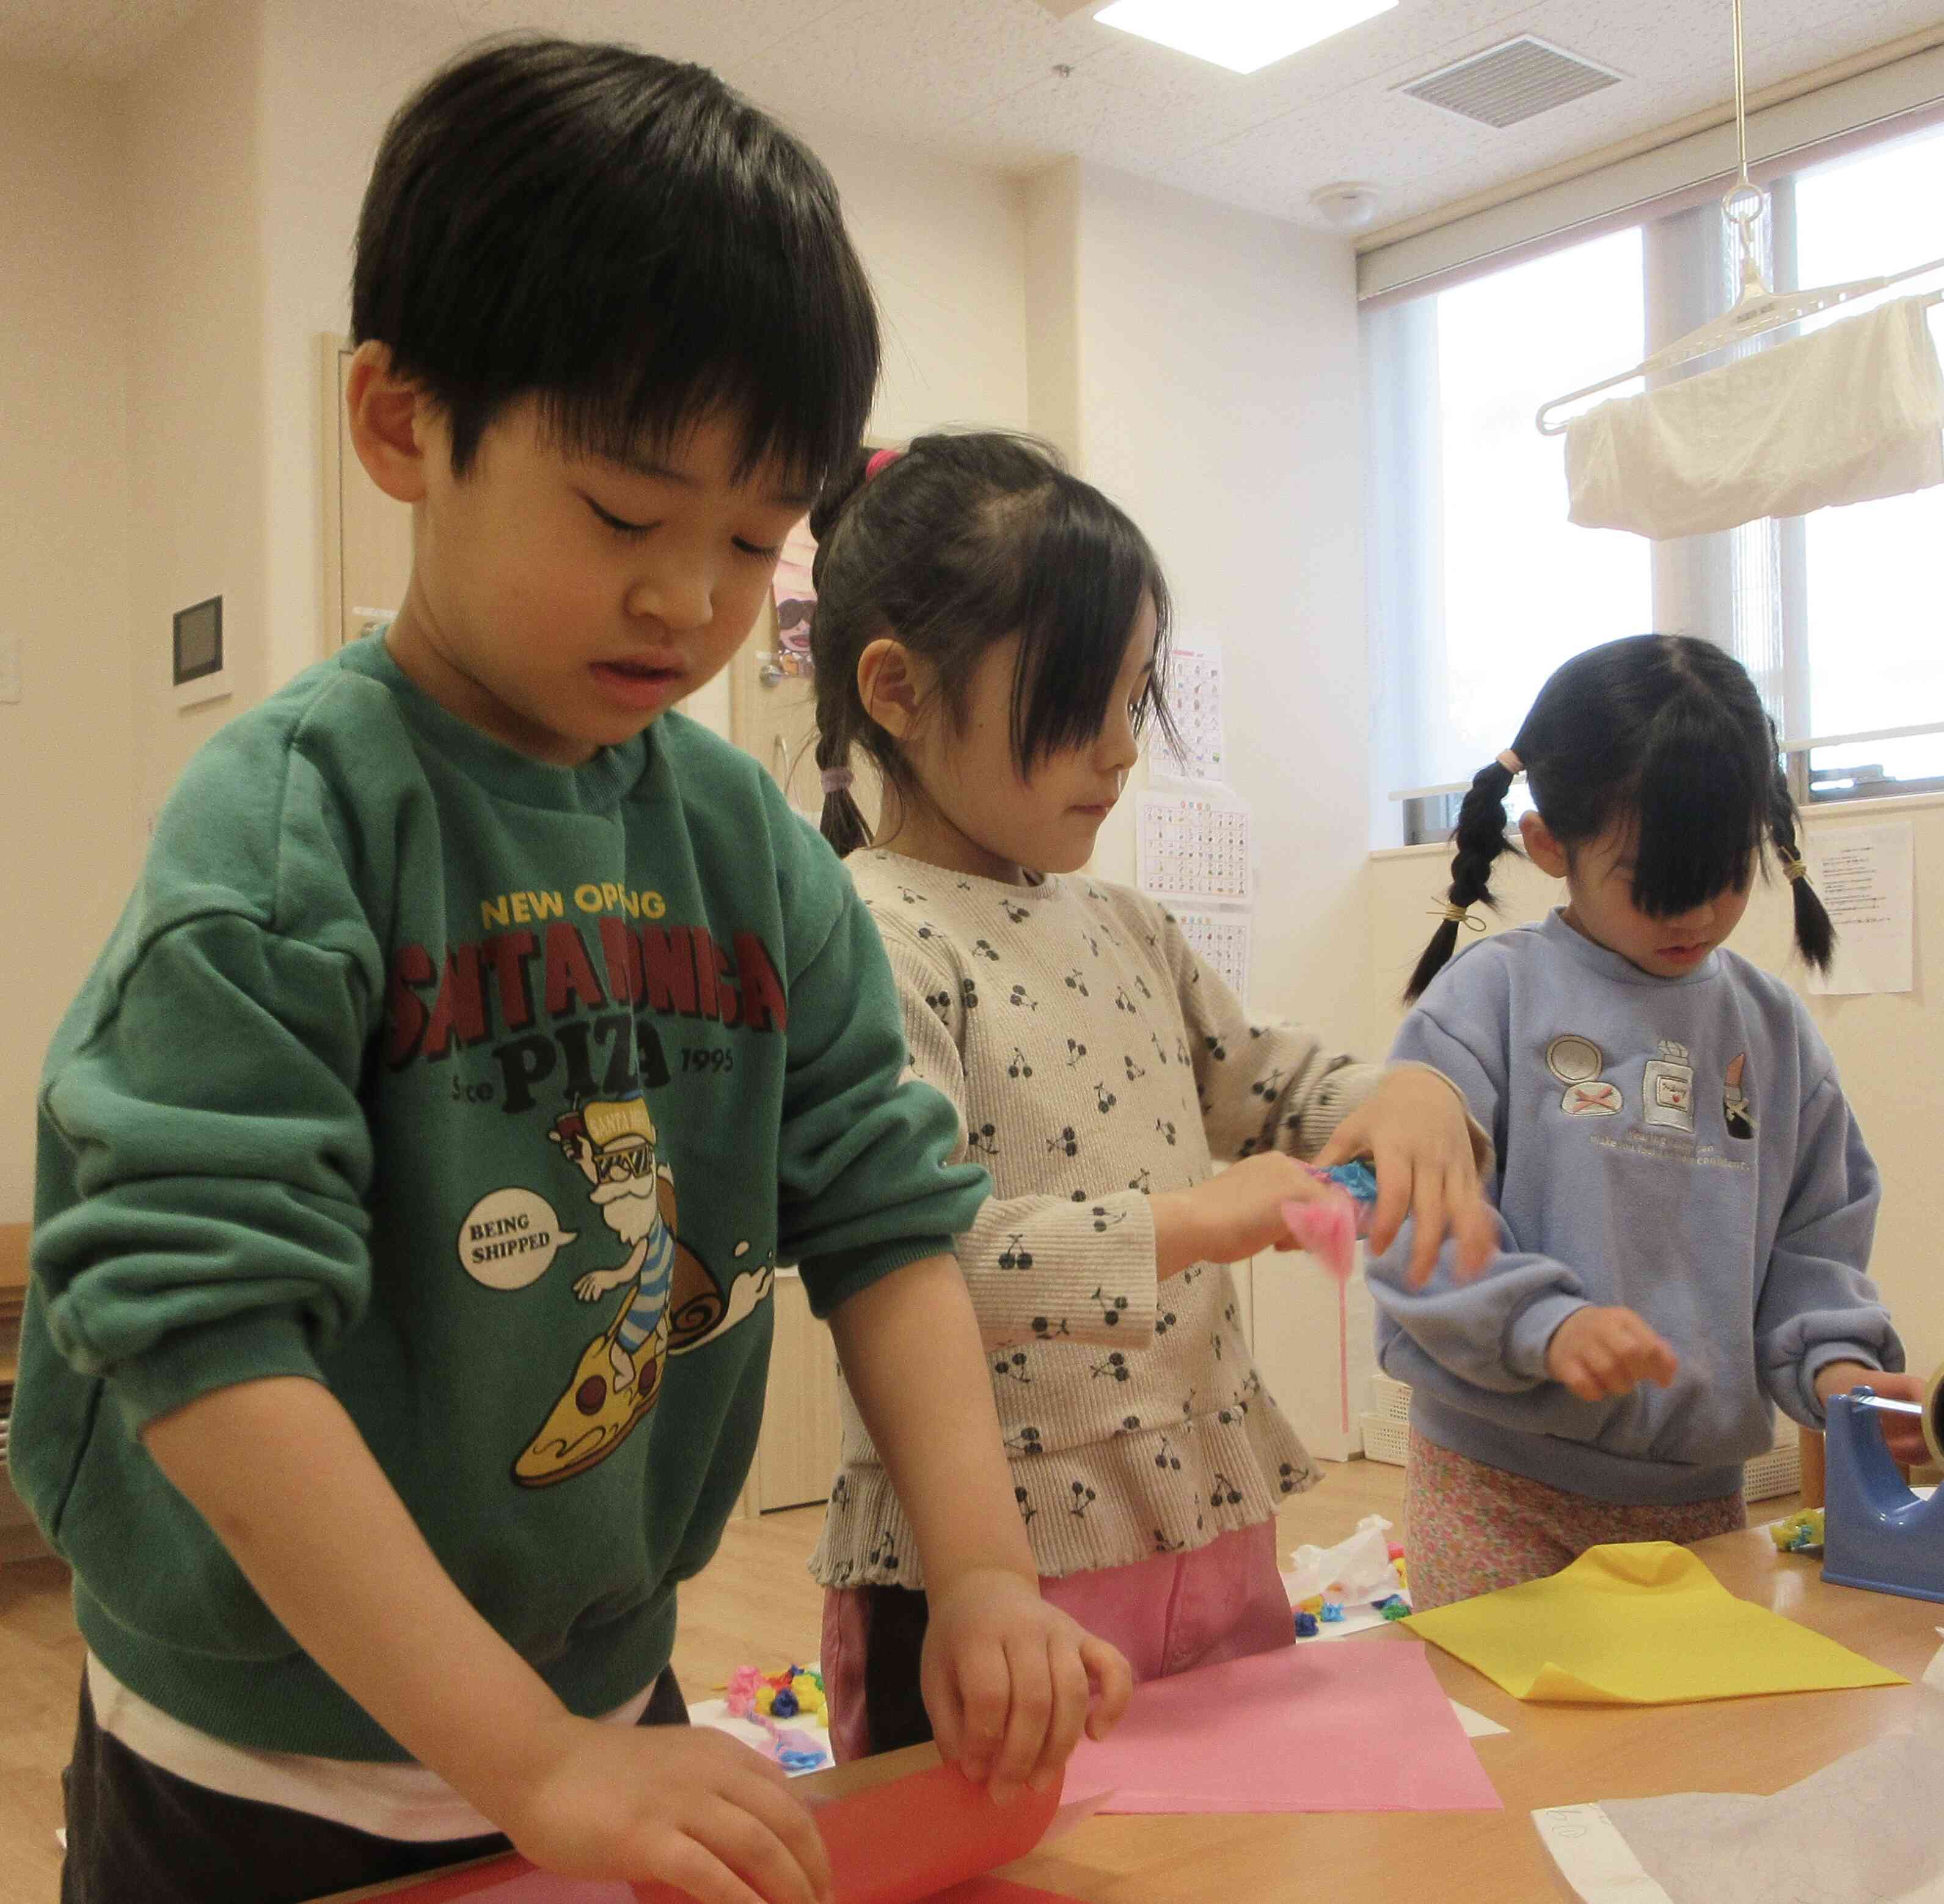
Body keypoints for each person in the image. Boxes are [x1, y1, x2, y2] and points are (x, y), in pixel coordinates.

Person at [15, 44, 1127, 1904]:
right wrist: (526, 1759)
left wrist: (985, 1573)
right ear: (400, 425)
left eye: (753, 540)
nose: (688, 601)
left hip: (604, 1701)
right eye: (622, 514)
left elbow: (885, 1217)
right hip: (263, 1760)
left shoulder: (745, 841)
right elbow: (198, 1333)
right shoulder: (294, 827)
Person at [799, 432, 1494, 1759]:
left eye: (1135, 697)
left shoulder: (1125, 924)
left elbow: (1284, 1083)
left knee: (1231, 1828)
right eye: (1079, 702)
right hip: (991, 1569)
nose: (1123, 750)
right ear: (896, 689)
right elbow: (906, 1262)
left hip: (1205, 1521)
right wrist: (1191, 1223)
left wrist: (1409, 1091)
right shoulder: (867, 935)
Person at [1370, 632, 1926, 1611]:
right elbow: (1415, 1225)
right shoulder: (1487, 1001)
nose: (1695, 918)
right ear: (1549, 845)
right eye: (1653, 885)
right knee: (1508, 1711)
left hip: (1695, 1501)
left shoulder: (1772, 1032)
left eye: (1725, 877)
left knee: (1694, 1715)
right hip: (1497, 1487)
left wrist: (1838, 1372)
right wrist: (1543, 1325)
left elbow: (1813, 1247)